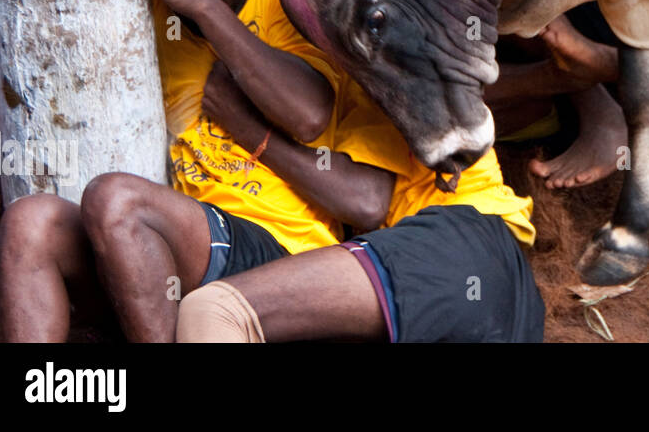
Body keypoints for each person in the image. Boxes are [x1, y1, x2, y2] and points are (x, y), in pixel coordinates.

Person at [0, 0, 366, 341]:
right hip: (172, 250)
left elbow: (309, 116)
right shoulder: (164, 10)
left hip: (281, 249)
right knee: (31, 222)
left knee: (116, 199)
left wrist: (203, 5)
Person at [175, 77, 543, 343]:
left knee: (216, 309)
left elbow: (366, 202)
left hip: (457, 244)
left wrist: (250, 131)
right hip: (511, 301)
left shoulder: (379, 73)